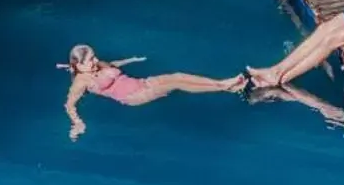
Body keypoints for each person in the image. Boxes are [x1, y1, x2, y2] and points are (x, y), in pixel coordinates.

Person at [60, 44, 244, 139]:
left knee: (177, 75)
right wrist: (78, 124)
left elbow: (112, 65)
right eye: (91, 59)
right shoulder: (81, 82)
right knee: (176, 84)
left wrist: (131, 60)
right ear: (79, 64)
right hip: (133, 96)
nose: (96, 60)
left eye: (95, 56)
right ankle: (223, 86)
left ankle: (223, 85)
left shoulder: (97, 66)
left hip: (141, 83)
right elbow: (69, 104)